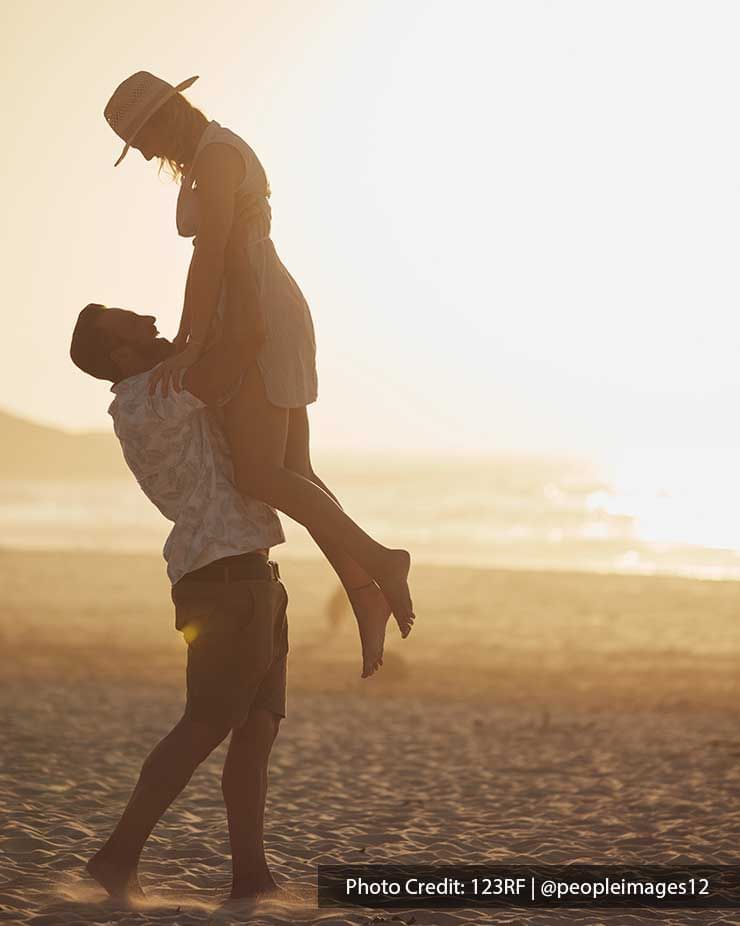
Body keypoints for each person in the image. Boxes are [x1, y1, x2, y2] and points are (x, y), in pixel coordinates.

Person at [102, 71, 415, 678]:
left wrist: (189, 342)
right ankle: (365, 592)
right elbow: (210, 252)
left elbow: (215, 249)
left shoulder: (217, 154)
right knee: (292, 472)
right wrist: (196, 333)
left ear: (167, 116)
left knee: (261, 473)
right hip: (255, 312)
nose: (142, 153)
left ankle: (382, 560)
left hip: (259, 316)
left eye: (141, 138)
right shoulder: (203, 160)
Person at [69, 250, 290, 903]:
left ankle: (251, 876)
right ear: (117, 354)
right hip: (222, 580)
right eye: (131, 321)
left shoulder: (158, 383)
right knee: (207, 721)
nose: (150, 316)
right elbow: (243, 343)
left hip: (249, 574)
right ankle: (115, 858)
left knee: (257, 728)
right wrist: (246, 246)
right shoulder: (148, 398)